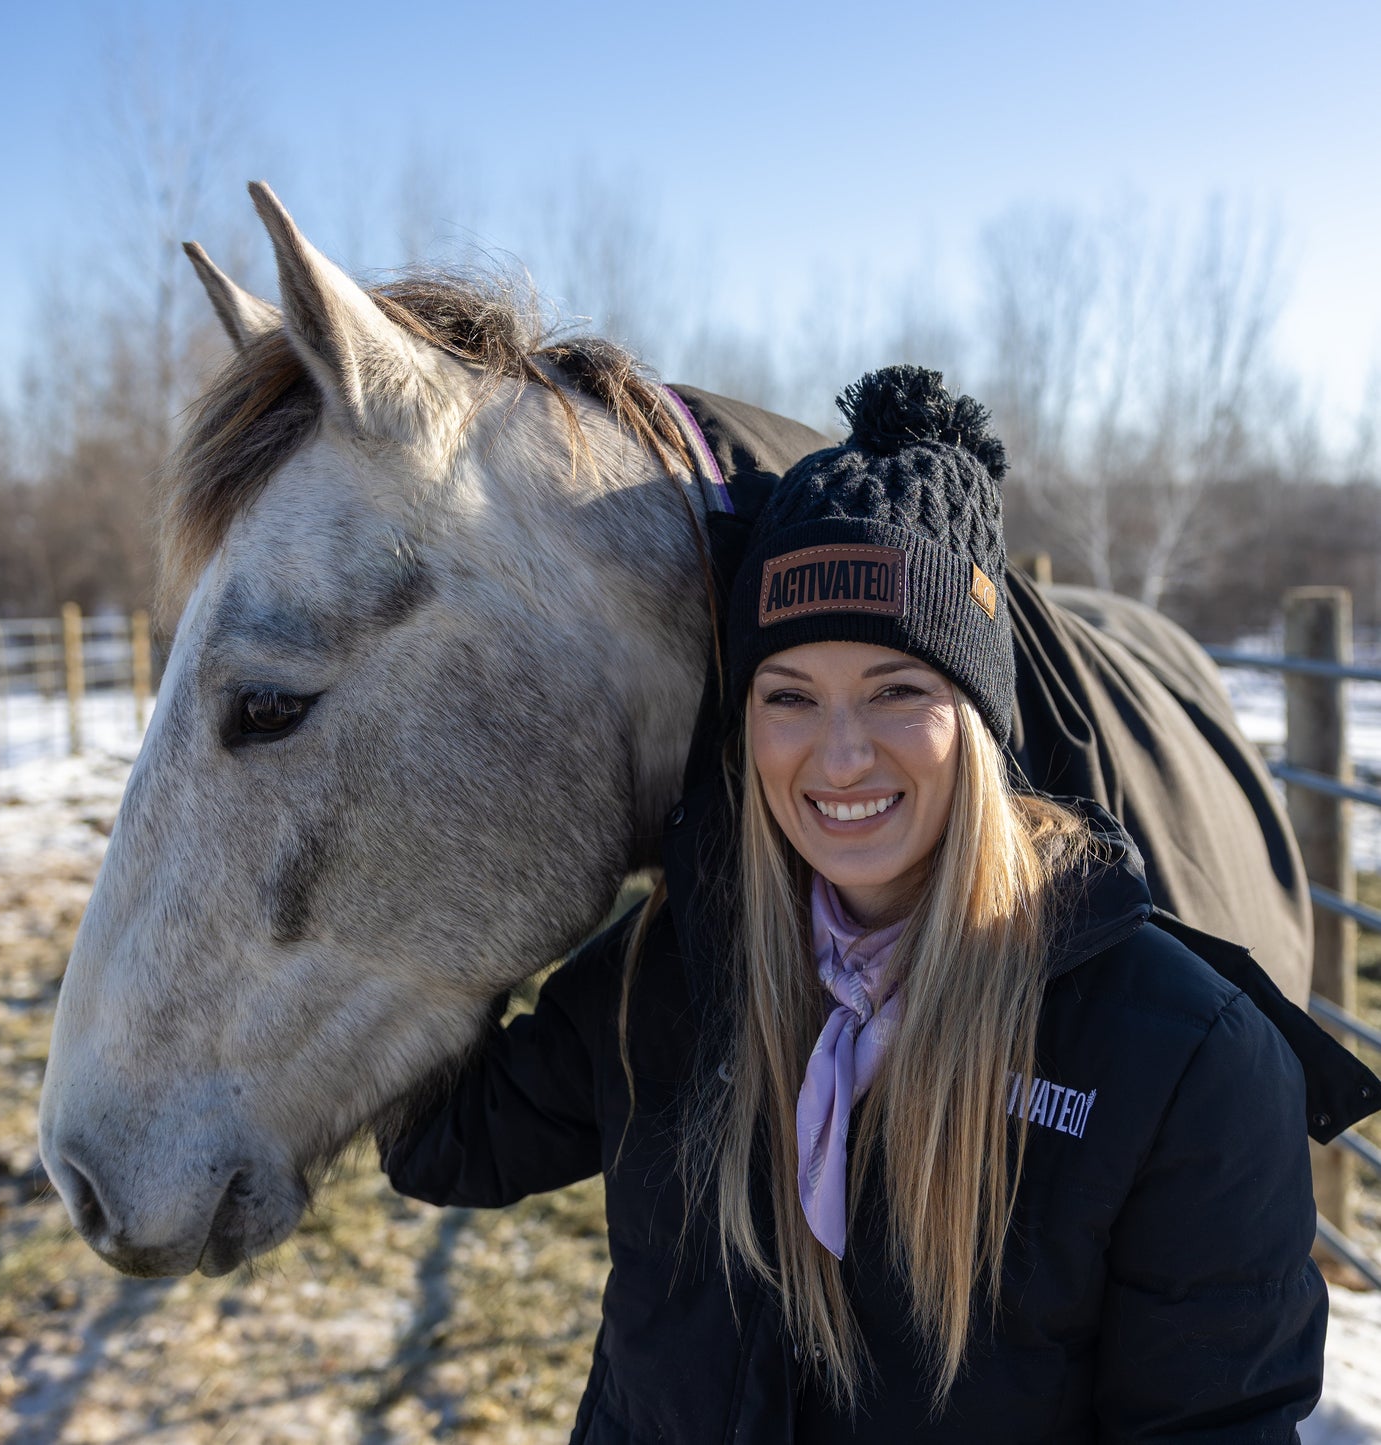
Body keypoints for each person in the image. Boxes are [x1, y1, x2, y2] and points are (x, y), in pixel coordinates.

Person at [382, 366, 1374, 1442]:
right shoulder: (672, 968)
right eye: (788, 696)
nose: (838, 753)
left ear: (982, 722)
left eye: (898, 690)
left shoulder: (1184, 1060)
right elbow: (449, 1140)